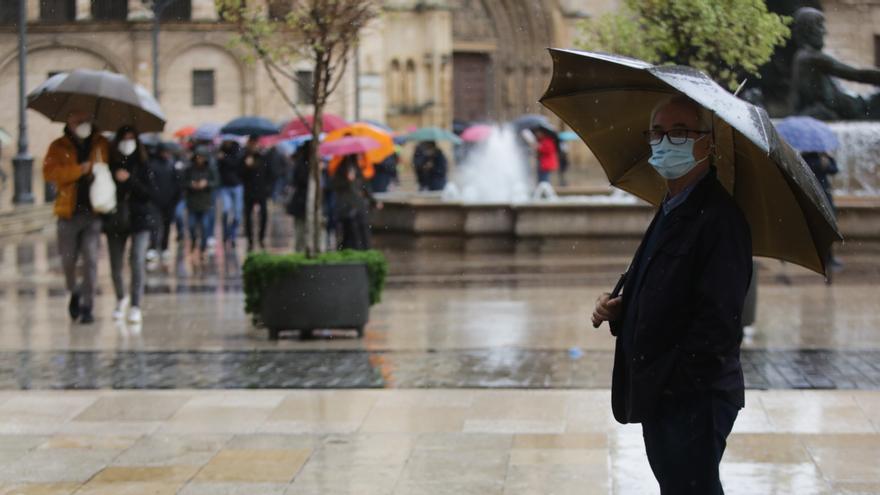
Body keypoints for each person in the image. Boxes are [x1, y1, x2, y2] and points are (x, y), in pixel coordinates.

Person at [591, 95, 752, 495]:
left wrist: (673, 382)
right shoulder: (671, 206)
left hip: (692, 396)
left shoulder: (719, 217)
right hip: (663, 391)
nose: (665, 142)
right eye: (658, 133)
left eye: (679, 132)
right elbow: (670, 287)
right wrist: (624, 309)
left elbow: (718, 324)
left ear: (707, 143)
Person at [42, 110, 109, 324]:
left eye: (85, 118)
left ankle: (88, 305)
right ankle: (74, 291)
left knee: (90, 260)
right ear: (68, 121)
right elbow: (50, 173)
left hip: (93, 212)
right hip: (67, 212)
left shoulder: (100, 144)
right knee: (68, 261)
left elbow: (108, 167)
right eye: (77, 119)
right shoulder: (58, 146)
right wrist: (78, 170)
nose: (81, 122)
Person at [104, 126, 158, 323]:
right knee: (115, 264)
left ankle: (136, 305)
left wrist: (131, 180)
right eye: (124, 138)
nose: (127, 141)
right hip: (115, 219)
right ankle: (120, 298)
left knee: (136, 261)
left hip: (140, 219)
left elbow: (150, 193)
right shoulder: (111, 164)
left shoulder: (144, 163)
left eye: (131, 137)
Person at [790, 7, 880, 119]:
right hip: (850, 109)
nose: (825, 31)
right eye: (820, 25)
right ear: (809, 29)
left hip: (847, 106)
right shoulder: (811, 57)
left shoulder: (801, 57)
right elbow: (857, 74)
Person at [332, 154, 380, 250]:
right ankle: (351, 249)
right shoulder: (341, 170)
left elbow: (365, 186)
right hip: (346, 205)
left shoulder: (357, 169)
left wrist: (373, 201)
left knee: (362, 228)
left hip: (358, 204)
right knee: (350, 230)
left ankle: (364, 249)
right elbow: (335, 185)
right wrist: (347, 181)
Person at [147, 142, 182, 267]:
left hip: (170, 202)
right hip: (155, 202)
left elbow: (177, 183)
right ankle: (152, 247)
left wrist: (176, 198)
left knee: (166, 226)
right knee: (154, 225)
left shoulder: (172, 165)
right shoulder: (153, 165)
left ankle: (164, 247)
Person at [240, 135, 275, 251]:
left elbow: (270, 172)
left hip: (262, 191)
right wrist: (246, 166)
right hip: (249, 191)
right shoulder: (244, 157)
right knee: (248, 216)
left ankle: (261, 238)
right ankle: (250, 240)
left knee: (264, 215)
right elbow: (239, 175)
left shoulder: (264, 157)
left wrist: (268, 188)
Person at [185, 147, 219, 261]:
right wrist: (192, 185)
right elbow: (183, 182)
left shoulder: (210, 169)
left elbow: (216, 182)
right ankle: (194, 241)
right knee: (191, 226)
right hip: (192, 202)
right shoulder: (189, 169)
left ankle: (203, 247)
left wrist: (206, 184)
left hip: (205, 203)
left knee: (205, 226)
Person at [216, 139, 244, 249]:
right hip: (224, 186)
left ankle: (233, 235)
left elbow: (236, 164)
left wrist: (225, 158)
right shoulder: (220, 151)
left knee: (237, 214)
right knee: (225, 210)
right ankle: (225, 233)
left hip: (237, 185)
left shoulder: (238, 151)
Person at [286, 145, 310, 252]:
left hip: (303, 200)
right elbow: (300, 180)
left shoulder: (301, 163)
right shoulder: (302, 164)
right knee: (300, 228)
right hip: (302, 201)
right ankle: (300, 250)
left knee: (302, 228)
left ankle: (302, 249)